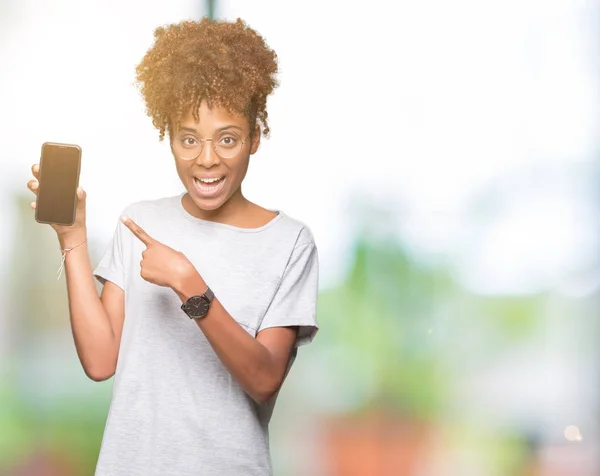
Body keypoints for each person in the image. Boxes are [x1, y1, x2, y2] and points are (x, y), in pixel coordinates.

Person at [27, 17, 319, 476]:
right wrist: (73, 238)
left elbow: (264, 379)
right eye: (189, 139)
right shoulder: (141, 221)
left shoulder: (288, 243)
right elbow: (101, 361)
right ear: (168, 135)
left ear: (255, 137)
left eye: (227, 139)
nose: (207, 159)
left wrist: (190, 285)